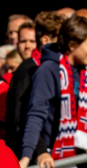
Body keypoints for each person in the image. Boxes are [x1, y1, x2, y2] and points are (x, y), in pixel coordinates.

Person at [20, 15, 87, 168]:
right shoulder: (48, 70)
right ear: (72, 45)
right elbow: (35, 115)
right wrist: (28, 157)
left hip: (86, 159)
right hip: (55, 163)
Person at [6, 11, 64, 158]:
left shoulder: (52, 66)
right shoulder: (28, 69)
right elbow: (21, 117)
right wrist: (41, 151)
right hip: (36, 157)